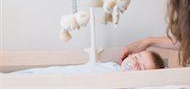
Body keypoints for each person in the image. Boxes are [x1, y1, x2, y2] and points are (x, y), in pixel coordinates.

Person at [9, 50, 164, 75]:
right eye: (136, 58)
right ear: (129, 55)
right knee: (40, 74)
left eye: (142, 68)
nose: (135, 64)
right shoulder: (112, 67)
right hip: (62, 76)